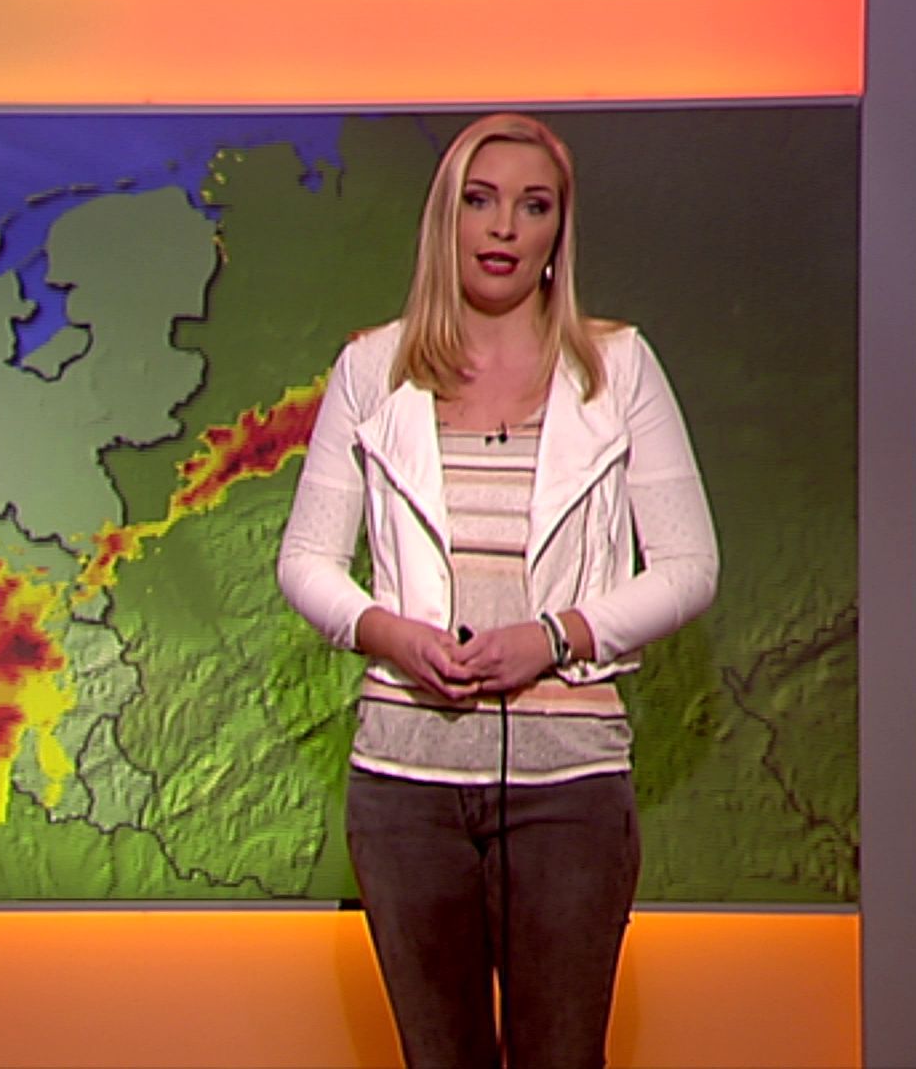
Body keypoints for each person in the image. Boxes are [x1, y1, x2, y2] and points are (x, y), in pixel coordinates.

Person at [277, 113, 718, 1068]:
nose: (505, 227)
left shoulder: (618, 368)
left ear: (561, 228)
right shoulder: (373, 370)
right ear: (447, 220)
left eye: (533, 206)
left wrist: (553, 637)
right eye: (481, 202)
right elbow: (305, 560)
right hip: (404, 790)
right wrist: (388, 634)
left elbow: (690, 567)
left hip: (570, 788)